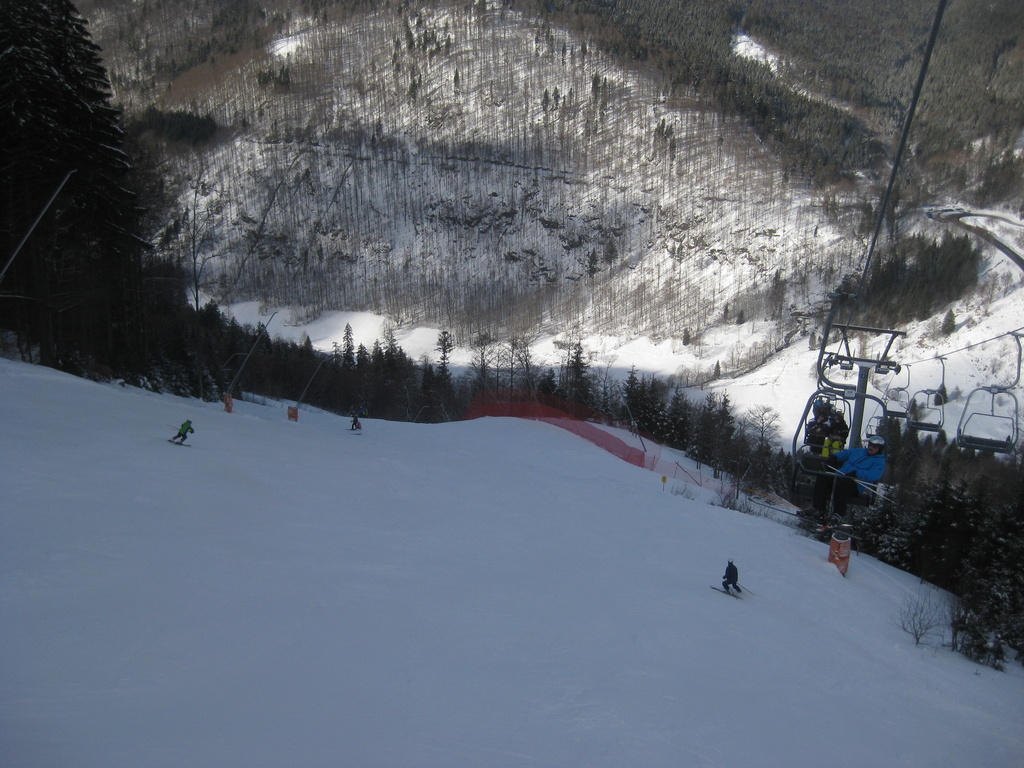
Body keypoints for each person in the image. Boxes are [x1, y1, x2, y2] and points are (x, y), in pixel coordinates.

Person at [811, 435, 887, 519]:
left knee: (843, 485)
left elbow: (875, 474)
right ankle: (818, 510)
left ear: (879, 449)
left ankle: (838, 515)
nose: (871, 447)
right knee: (823, 477)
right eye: (870, 445)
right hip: (840, 476)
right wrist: (835, 457)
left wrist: (857, 473)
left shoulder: (879, 462)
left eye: (875, 447)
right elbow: (846, 453)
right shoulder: (859, 451)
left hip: (856, 484)